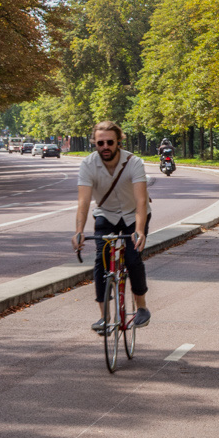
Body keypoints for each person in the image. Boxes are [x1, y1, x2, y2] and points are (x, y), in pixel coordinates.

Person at [73, 120, 151, 331]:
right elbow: (83, 202)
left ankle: (142, 307)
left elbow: (141, 201)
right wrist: (79, 231)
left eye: (109, 142)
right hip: (106, 213)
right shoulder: (88, 164)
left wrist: (140, 231)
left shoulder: (134, 163)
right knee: (101, 260)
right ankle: (104, 317)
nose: (105, 147)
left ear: (119, 142)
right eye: (100, 143)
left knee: (133, 259)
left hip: (134, 214)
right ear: (94, 143)